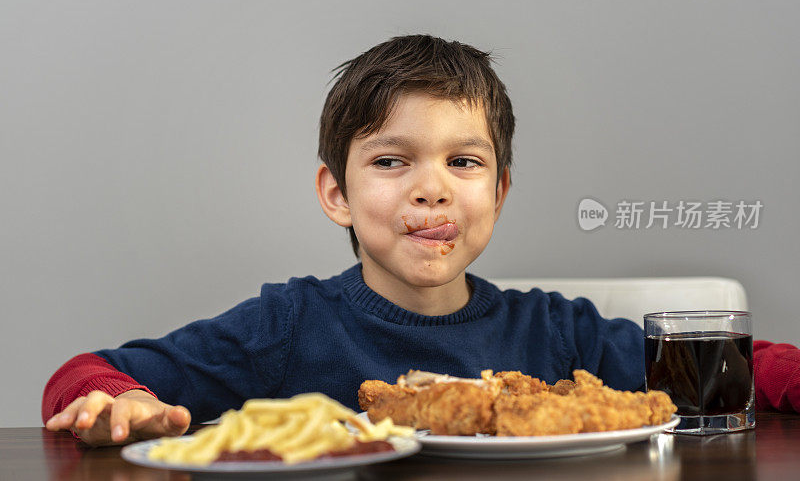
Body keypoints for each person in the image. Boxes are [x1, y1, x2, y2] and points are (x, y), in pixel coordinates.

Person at [42, 35, 800, 447]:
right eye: (391, 161)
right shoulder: (287, 325)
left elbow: (727, 373)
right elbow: (91, 373)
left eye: (463, 162)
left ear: (499, 194)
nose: (430, 188)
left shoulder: (556, 330)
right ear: (336, 194)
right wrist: (120, 402)